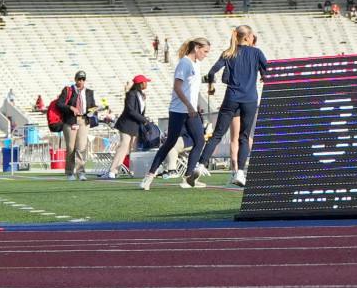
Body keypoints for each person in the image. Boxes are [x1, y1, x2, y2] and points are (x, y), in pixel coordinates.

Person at [202, 25, 268, 188]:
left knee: (217, 135)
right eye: (252, 36)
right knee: (244, 137)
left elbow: (212, 72)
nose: (253, 38)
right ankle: (239, 173)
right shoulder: (256, 52)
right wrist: (263, 76)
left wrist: (211, 87)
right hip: (249, 99)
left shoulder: (229, 52)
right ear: (247, 37)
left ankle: (200, 165)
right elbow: (269, 71)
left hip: (231, 98)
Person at [140, 38, 211, 189]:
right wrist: (189, 106)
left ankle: (188, 178)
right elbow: (177, 88)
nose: (206, 55)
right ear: (196, 48)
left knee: (200, 141)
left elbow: (191, 89)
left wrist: (194, 105)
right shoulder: (184, 63)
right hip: (178, 110)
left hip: (191, 110)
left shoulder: (196, 64)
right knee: (170, 142)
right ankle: (149, 176)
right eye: (205, 51)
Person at [106, 74, 151, 178]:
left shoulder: (141, 95)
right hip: (126, 124)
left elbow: (140, 111)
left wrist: (143, 121)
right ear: (140, 83)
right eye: (145, 82)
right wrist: (144, 121)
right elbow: (130, 110)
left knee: (133, 149)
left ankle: (132, 171)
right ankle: (112, 171)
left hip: (135, 125)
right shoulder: (131, 94)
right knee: (124, 146)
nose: (147, 84)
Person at [56, 71, 96, 180]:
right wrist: (70, 108)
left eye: (83, 79)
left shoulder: (89, 92)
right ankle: (70, 173)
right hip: (70, 121)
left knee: (81, 147)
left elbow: (92, 106)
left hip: (83, 120)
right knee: (70, 148)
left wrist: (93, 110)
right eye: (79, 79)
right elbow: (59, 104)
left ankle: (81, 172)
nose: (81, 81)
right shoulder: (68, 90)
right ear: (75, 79)